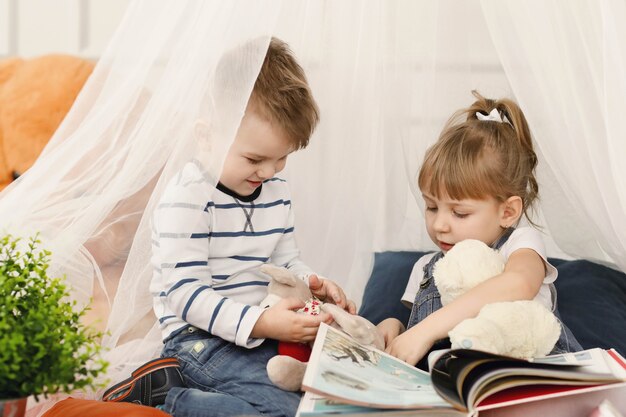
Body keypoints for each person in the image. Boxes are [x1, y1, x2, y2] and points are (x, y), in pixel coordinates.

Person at [103, 37, 356, 417]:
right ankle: (167, 396)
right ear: (206, 137)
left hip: (259, 333)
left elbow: (286, 261)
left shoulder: (274, 190)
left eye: (282, 158)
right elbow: (184, 293)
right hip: (199, 341)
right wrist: (261, 322)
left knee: (325, 399)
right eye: (255, 158)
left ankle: (185, 394)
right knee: (289, 410)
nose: (269, 172)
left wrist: (315, 285)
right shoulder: (187, 198)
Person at [377, 91, 582, 369]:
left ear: (507, 212)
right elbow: (420, 341)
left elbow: (519, 283)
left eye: (459, 213)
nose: (439, 225)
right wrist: (398, 328)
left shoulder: (520, 245)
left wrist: (426, 330)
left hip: (524, 378)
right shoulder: (427, 268)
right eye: (431, 207)